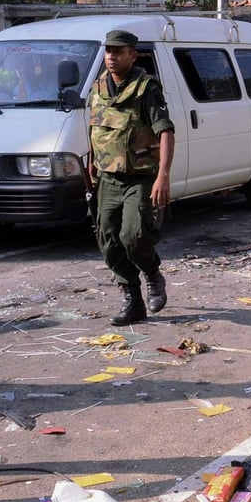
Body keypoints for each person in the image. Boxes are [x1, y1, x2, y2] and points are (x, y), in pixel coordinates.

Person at [88, 30, 175, 327]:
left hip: (140, 177)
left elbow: (165, 131)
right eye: (108, 51)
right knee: (108, 241)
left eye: (118, 52)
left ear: (132, 55)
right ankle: (133, 301)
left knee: (133, 235)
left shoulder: (146, 88)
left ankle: (152, 273)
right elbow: (95, 128)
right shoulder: (98, 86)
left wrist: (163, 175)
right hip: (107, 177)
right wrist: (91, 161)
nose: (111, 57)